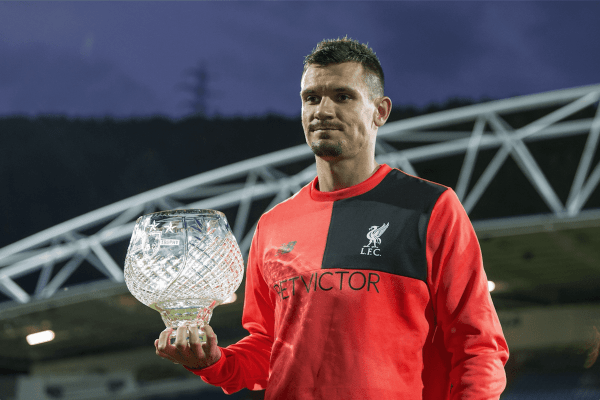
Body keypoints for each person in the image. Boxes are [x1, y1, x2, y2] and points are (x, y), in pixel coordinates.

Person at [155, 36, 509, 399]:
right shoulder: (273, 224)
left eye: (343, 96)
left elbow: (478, 346)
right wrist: (211, 361)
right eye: (311, 98)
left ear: (380, 111)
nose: (322, 110)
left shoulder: (430, 208)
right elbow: (267, 348)